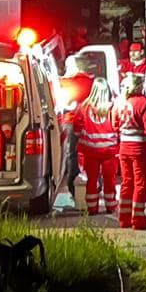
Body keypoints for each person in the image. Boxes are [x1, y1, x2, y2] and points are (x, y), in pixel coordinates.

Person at [113, 72, 146, 229]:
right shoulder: (143, 102)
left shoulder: (119, 102)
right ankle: (138, 220)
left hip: (124, 147)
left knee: (127, 182)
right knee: (141, 183)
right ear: (139, 86)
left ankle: (123, 218)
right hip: (141, 148)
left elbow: (114, 125)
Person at [75, 77, 120, 215]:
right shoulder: (113, 106)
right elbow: (118, 126)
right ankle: (111, 206)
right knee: (109, 180)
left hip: (90, 150)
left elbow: (76, 127)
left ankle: (92, 208)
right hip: (109, 151)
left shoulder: (83, 106)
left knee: (92, 180)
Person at [57, 56, 95, 205]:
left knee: (72, 155)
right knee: (91, 154)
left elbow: (62, 102)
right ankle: (93, 188)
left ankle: (74, 189)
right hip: (91, 123)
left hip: (72, 122)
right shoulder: (93, 82)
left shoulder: (67, 83)